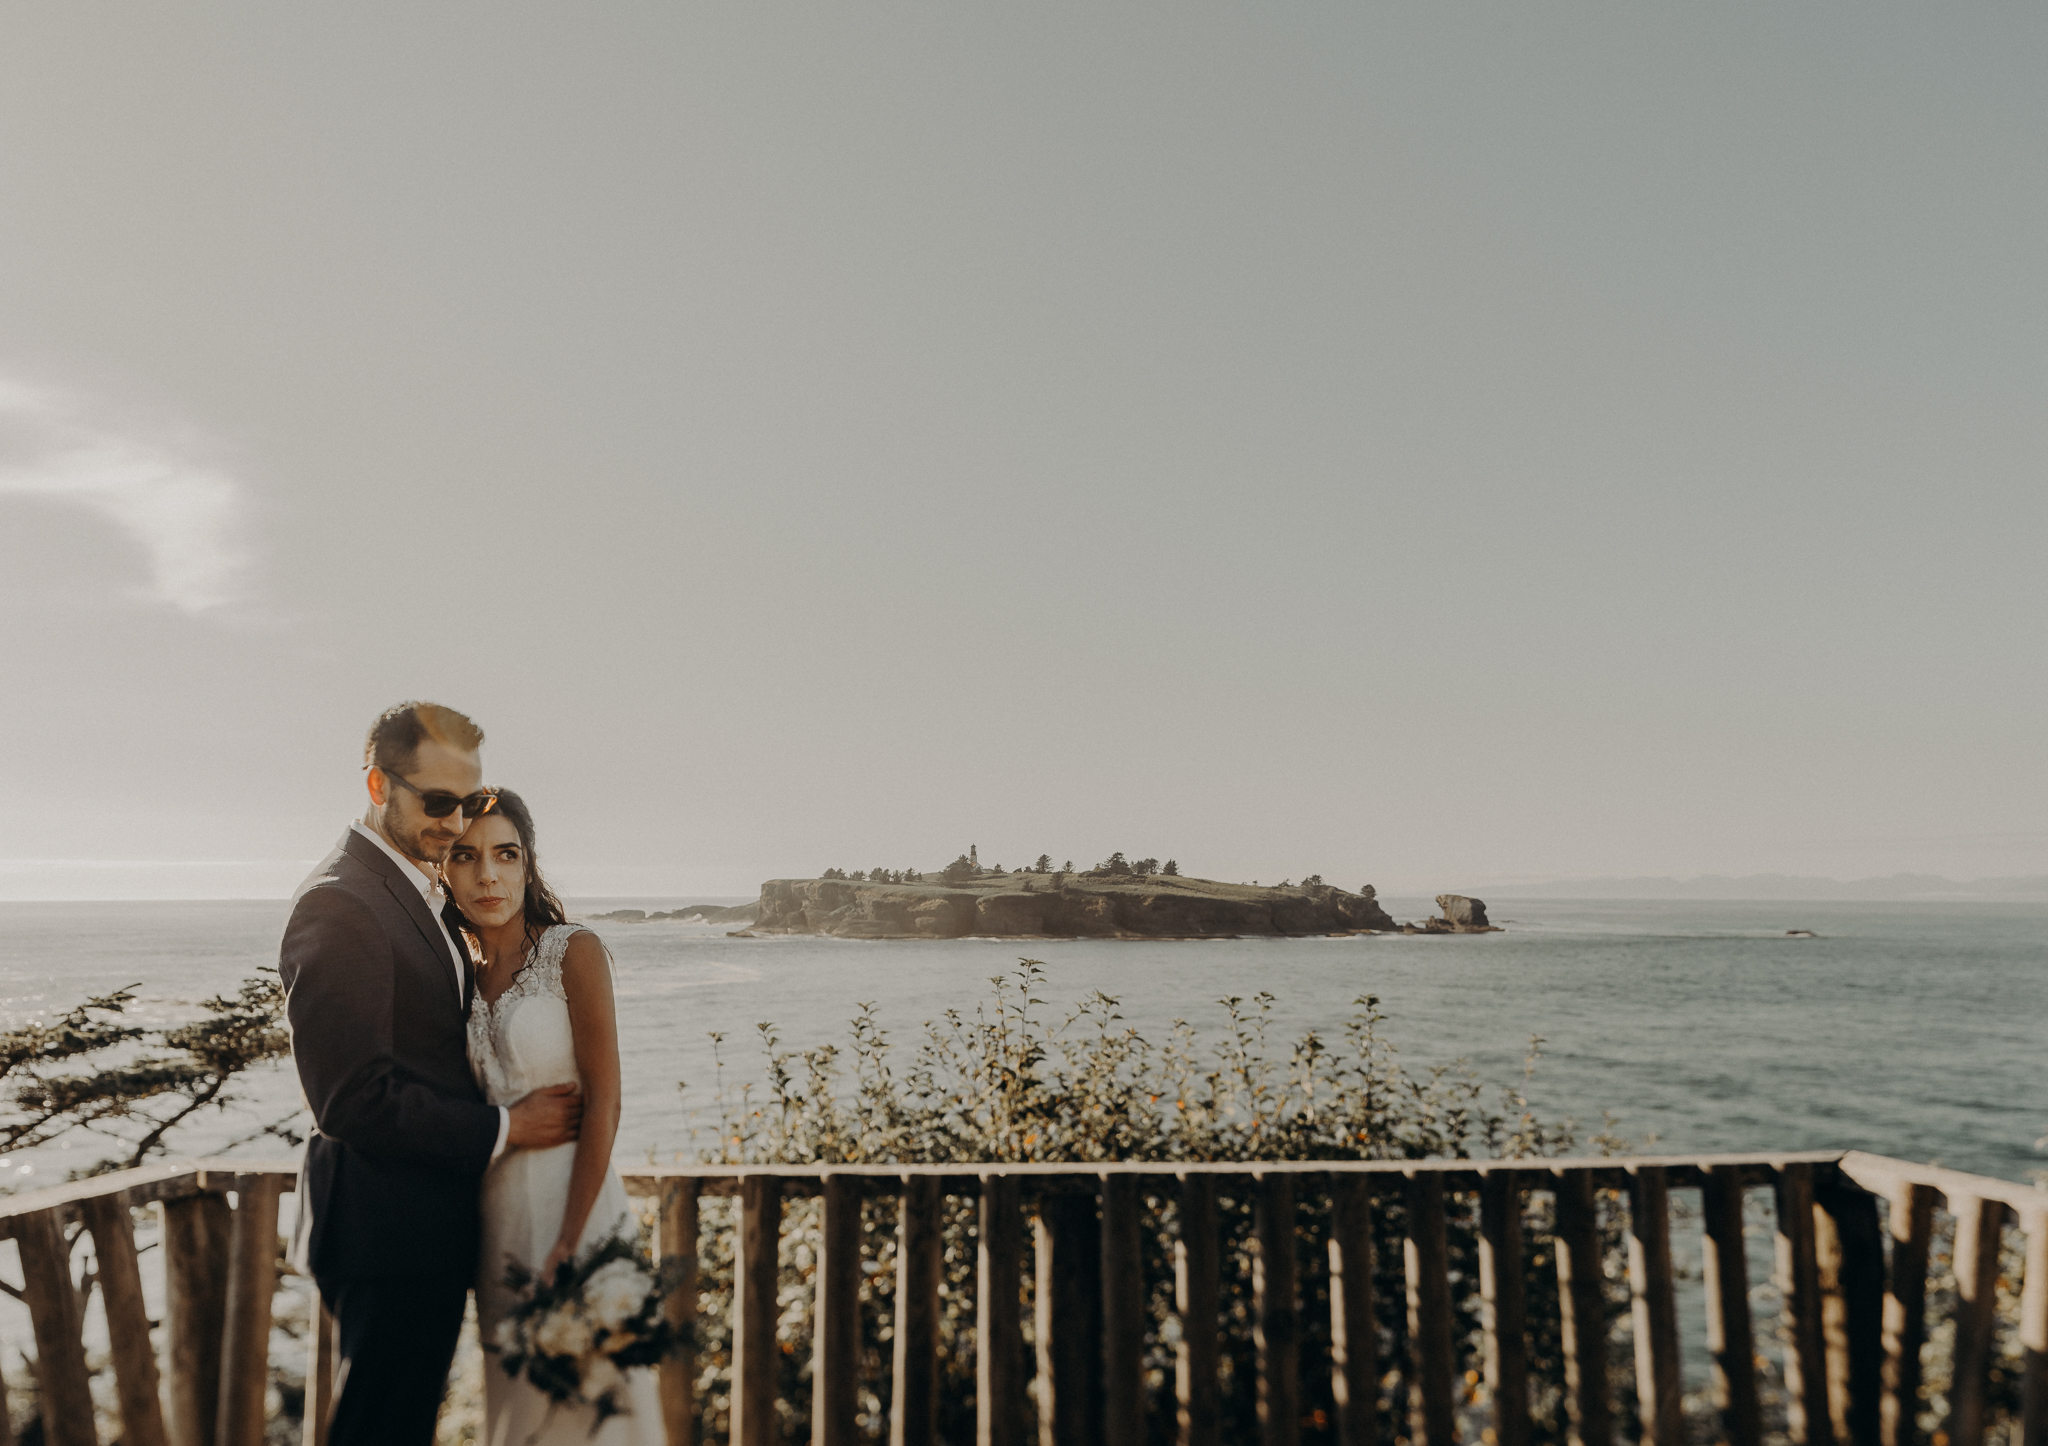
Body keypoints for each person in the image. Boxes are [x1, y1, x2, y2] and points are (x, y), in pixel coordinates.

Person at [280, 703, 584, 1446]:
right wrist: (509, 1126)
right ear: (379, 784)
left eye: (469, 801)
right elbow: (351, 1101)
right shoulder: (342, 905)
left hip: (422, 1228)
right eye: (437, 802)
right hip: (385, 1231)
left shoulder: (417, 895)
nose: (455, 823)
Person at [443, 787, 663, 1444]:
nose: (489, 875)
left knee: (595, 1410)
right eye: (467, 856)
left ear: (528, 864)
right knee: (519, 1413)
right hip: (499, 1222)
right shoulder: (455, 975)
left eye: (506, 855)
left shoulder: (574, 952)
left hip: (580, 1211)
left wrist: (570, 1245)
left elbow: (606, 1102)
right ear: (443, 871)